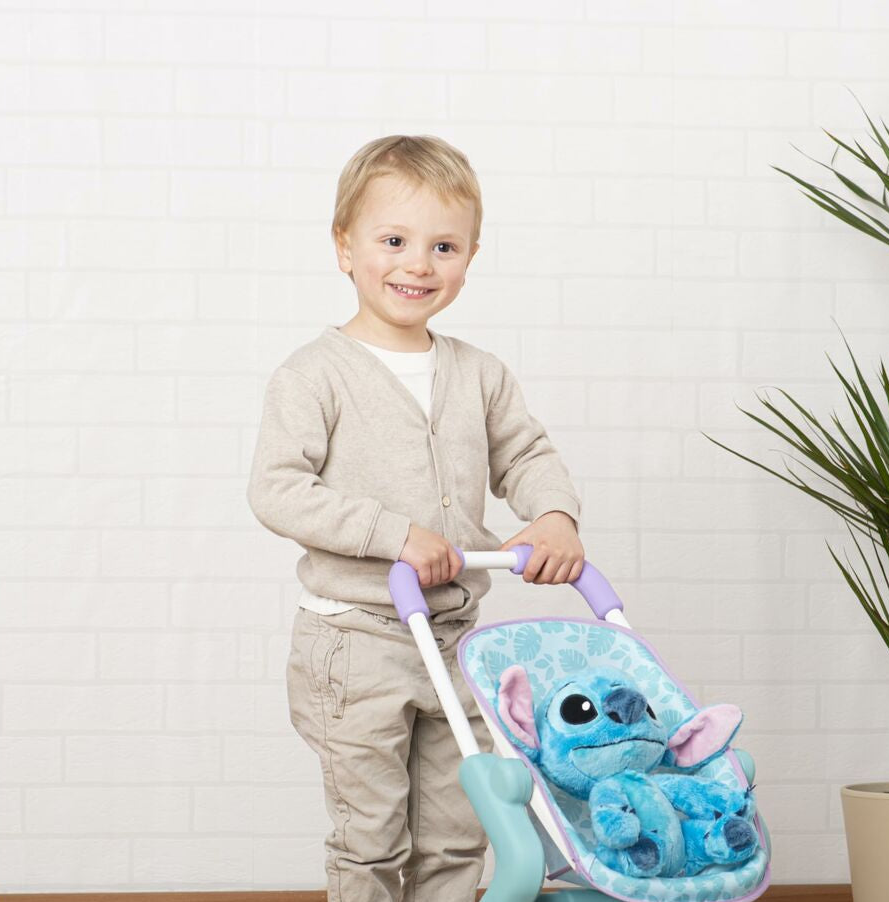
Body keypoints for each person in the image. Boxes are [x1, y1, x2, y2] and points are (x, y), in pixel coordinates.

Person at [247, 134, 584, 902]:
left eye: (443, 247)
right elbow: (277, 489)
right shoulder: (314, 375)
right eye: (394, 241)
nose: (419, 265)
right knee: (371, 837)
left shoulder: (480, 374)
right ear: (345, 247)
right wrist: (393, 535)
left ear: (470, 257)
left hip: (458, 644)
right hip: (357, 641)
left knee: (461, 832)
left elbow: (526, 455)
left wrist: (554, 514)